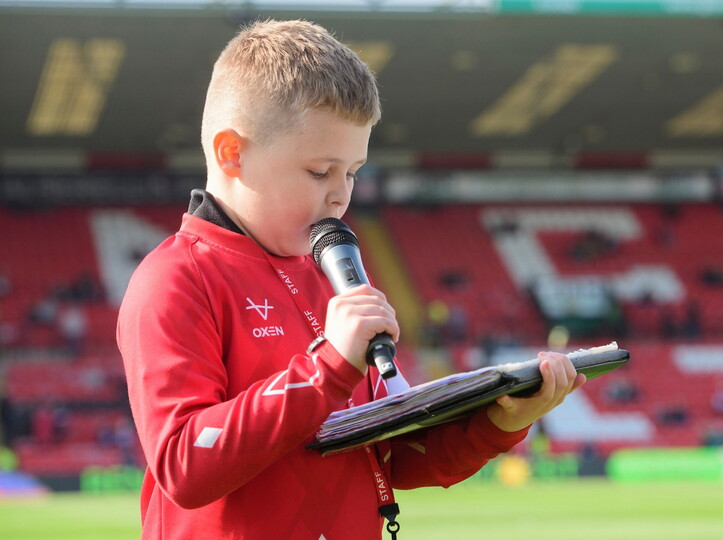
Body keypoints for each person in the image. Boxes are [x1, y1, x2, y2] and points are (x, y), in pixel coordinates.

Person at [117, 19, 585, 540]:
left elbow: (385, 460)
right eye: (320, 171)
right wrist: (329, 368)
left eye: (353, 171)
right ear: (232, 153)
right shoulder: (175, 279)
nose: (342, 195)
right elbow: (184, 463)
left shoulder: (328, 276)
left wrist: (502, 420)